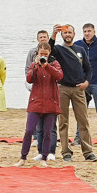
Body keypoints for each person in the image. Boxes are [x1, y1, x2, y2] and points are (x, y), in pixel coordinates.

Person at [50, 25, 96, 161]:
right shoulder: (58, 49)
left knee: (83, 121)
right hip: (62, 88)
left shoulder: (80, 50)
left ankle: (88, 152)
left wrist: (86, 82)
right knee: (63, 121)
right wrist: (53, 33)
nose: (67, 35)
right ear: (62, 35)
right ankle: (66, 152)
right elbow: (49, 50)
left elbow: (88, 69)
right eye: (65, 33)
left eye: (70, 32)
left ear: (74, 34)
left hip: (78, 89)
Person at [21, 31, 63, 164]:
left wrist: (47, 66)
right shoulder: (34, 65)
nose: (43, 56)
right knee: (29, 130)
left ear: (49, 53)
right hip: (36, 102)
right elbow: (29, 78)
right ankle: (23, 157)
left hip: (51, 102)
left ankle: (44, 157)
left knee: (47, 133)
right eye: (41, 54)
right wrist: (36, 66)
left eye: (46, 54)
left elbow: (59, 76)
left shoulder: (54, 64)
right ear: (37, 53)